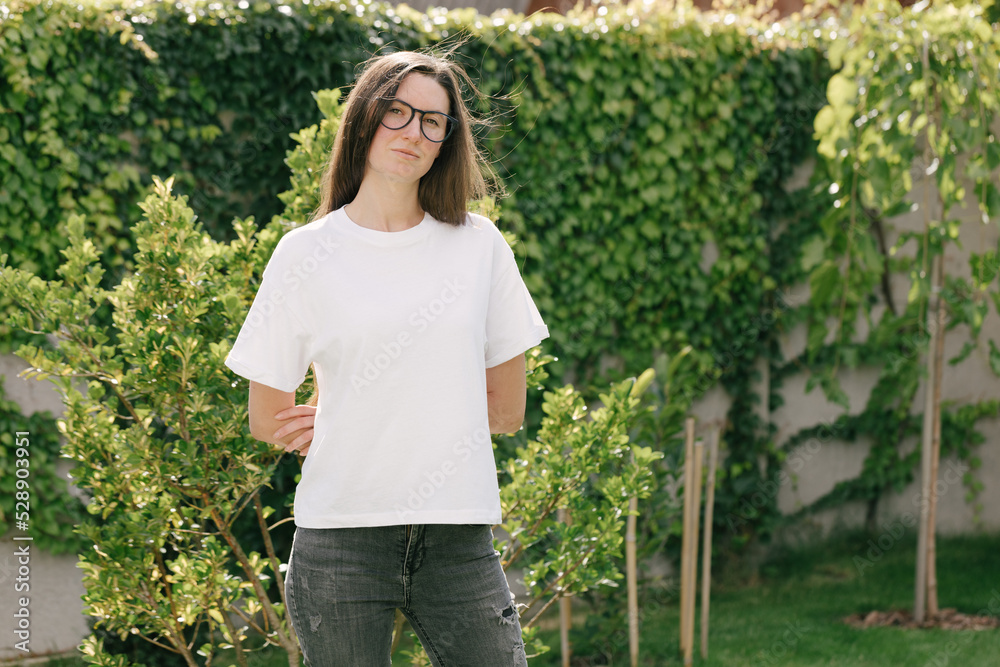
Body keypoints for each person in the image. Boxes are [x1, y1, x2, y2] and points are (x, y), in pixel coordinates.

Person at [224, 49, 548, 666]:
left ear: (447, 139)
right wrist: (350, 418)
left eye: (434, 121)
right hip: (339, 543)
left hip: (458, 538)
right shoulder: (304, 254)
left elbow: (505, 411)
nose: (414, 133)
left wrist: (376, 413)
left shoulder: (480, 247)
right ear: (365, 120)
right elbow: (267, 417)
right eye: (397, 112)